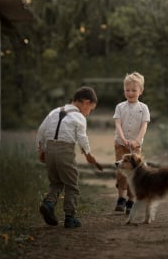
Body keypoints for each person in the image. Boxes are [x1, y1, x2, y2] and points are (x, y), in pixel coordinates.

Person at [36, 86, 101, 228]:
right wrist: (88, 154)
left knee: (56, 182)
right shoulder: (79, 117)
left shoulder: (54, 112)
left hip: (50, 151)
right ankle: (70, 217)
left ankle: (48, 203)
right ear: (85, 102)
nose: (89, 113)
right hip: (65, 151)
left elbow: (41, 131)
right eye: (90, 109)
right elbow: (82, 138)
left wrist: (41, 150)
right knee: (71, 184)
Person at [113, 72, 150, 214]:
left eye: (134, 90)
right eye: (127, 90)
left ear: (140, 91)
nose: (130, 93)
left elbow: (144, 126)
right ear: (124, 91)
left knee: (134, 173)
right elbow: (117, 124)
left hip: (135, 146)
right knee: (122, 171)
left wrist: (136, 141)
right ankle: (121, 198)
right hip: (121, 144)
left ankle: (131, 200)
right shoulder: (120, 107)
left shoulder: (144, 108)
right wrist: (122, 138)